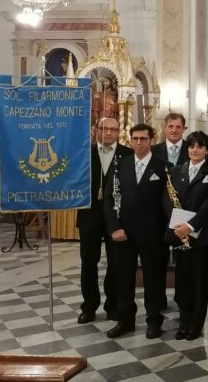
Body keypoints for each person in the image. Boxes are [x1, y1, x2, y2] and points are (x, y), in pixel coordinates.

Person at [104, 123, 169, 339]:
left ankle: (154, 320)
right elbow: (109, 198)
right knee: (124, 277)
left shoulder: (163, 167)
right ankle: (125, 320)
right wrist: (115, 227)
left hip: (153, 233)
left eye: (143, 139)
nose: (139, 142)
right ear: (130, 140)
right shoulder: (119, 165)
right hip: (124, 233)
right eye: (135, 139)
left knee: (153, 278)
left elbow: (169, 201)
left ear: (152, 140)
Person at [77, 117, 133, 324]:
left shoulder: (128, 155)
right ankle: (89, 306)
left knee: (116, 263)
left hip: (117, 219)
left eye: (113, 129)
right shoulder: (84, 153)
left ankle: (113, 305)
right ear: (96, 130)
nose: (108, 133)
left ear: (119, 132)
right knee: (88, 263)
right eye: (104, 128)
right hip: (89, 216)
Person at [165, 131, 208, 341]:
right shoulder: (176, 171)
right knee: (182, 281)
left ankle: (196, 323)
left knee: (199, 282)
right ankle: (184, 321)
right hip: (179, 233)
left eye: (200, 146)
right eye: (192, 146)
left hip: (199, 235)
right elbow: (167, 199)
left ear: (207, 150)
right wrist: (178, 225)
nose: (195, 150)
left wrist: (191, 226)